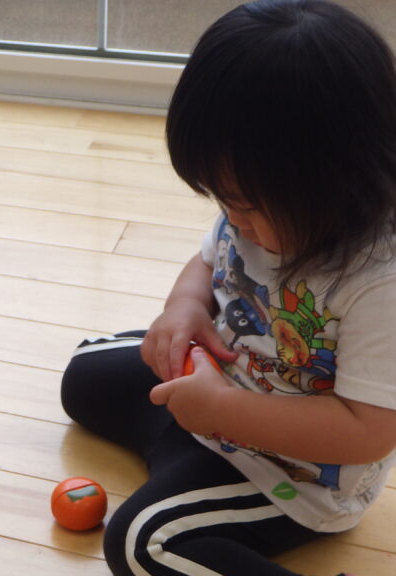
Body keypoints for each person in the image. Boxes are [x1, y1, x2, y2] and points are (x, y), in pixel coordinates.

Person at [60, 1, 396, 575]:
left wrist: (221, 410)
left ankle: (188, 453)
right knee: (85, 373)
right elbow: (207, 260)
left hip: (291, 473)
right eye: (222, 200)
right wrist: (182, 310)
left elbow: (368, 432)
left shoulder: (379, 280)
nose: (232, 220)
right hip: (224, 388)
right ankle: (179, 443)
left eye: (244, 205)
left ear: (337, 181)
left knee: (143, 543)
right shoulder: (267, 204)